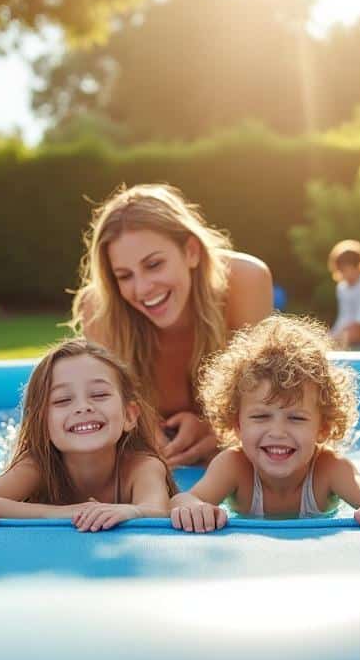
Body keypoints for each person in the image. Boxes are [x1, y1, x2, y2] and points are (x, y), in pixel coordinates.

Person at [71, 184, 273, 466]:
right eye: (124, 276)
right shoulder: (101, 310)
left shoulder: (245, 282)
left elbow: (270, 399)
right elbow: (99, 412)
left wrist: (217, 430)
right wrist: (140, 431)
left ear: (191, 251)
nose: (142, 288)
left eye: (154, 265)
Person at [170, 315, 360, 532]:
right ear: (237, 424)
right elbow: (182, 500)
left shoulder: (329, 469)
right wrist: (193, 508)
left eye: (296, 418)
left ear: (323, 428)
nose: (277, 432)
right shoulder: (234, 467)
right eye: (261, 417)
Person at [0, 339, 175, 531]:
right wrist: (65, 513)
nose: (83, 407)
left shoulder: (142, 467)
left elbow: (157, 511)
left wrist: (130, 510)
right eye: (63, 400)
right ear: (43, 424)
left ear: (129, 415)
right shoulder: (37, 467)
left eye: (99, 394)